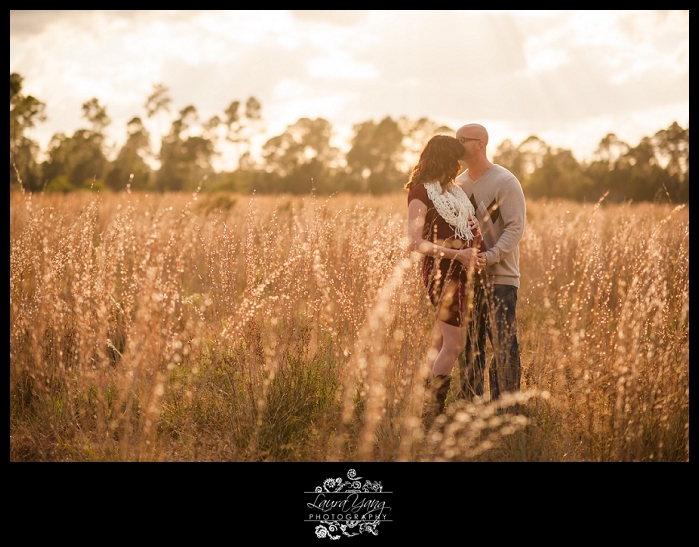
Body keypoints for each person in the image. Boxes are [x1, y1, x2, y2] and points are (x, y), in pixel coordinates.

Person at [405, 134, 486, 423]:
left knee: (441, 343)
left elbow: (464, 230)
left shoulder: (454, 193)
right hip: (442, 272)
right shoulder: (420, 193)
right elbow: (414, 243)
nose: (457, 167)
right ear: (443, 160)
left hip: (463, 271)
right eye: (454, 161)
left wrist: (475, 239)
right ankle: (432, 416)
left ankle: (424, 407)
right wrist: (458, 256)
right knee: (453, 345)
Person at [455, 123, 526, 402]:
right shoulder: (458, 184)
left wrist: (491, 256)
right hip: (470, 279)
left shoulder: (505, 181)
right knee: (471, 346)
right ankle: (472, 407)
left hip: (501, 278)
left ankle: (506, 411)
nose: (457, 143)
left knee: (503, 345)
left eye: (463, 139)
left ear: (479, 144)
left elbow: (515, 228)